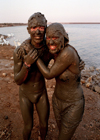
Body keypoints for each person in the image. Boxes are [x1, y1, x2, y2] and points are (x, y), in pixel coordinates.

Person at [35, 23, 85, 140]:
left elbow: (48, 74)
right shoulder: (55, 51)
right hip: (57, 101)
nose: (51, 43)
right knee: (62, 132)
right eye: (49, 38)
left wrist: (35, 57)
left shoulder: (67, 52)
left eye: (56, 38)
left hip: (73, 105)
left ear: (64, 38)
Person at [13, 12, 53, 140]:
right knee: (28, 127)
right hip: (25, 94)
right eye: (34, 28)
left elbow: (64, 50)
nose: (38, 32)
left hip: (41, 92)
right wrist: (26, 65)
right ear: (28, 30)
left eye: (41, 27)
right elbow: (17, 80)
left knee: (44, 124)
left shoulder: (48, 49)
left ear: (46, 28)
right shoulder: (20, 51)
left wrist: (77, 60)